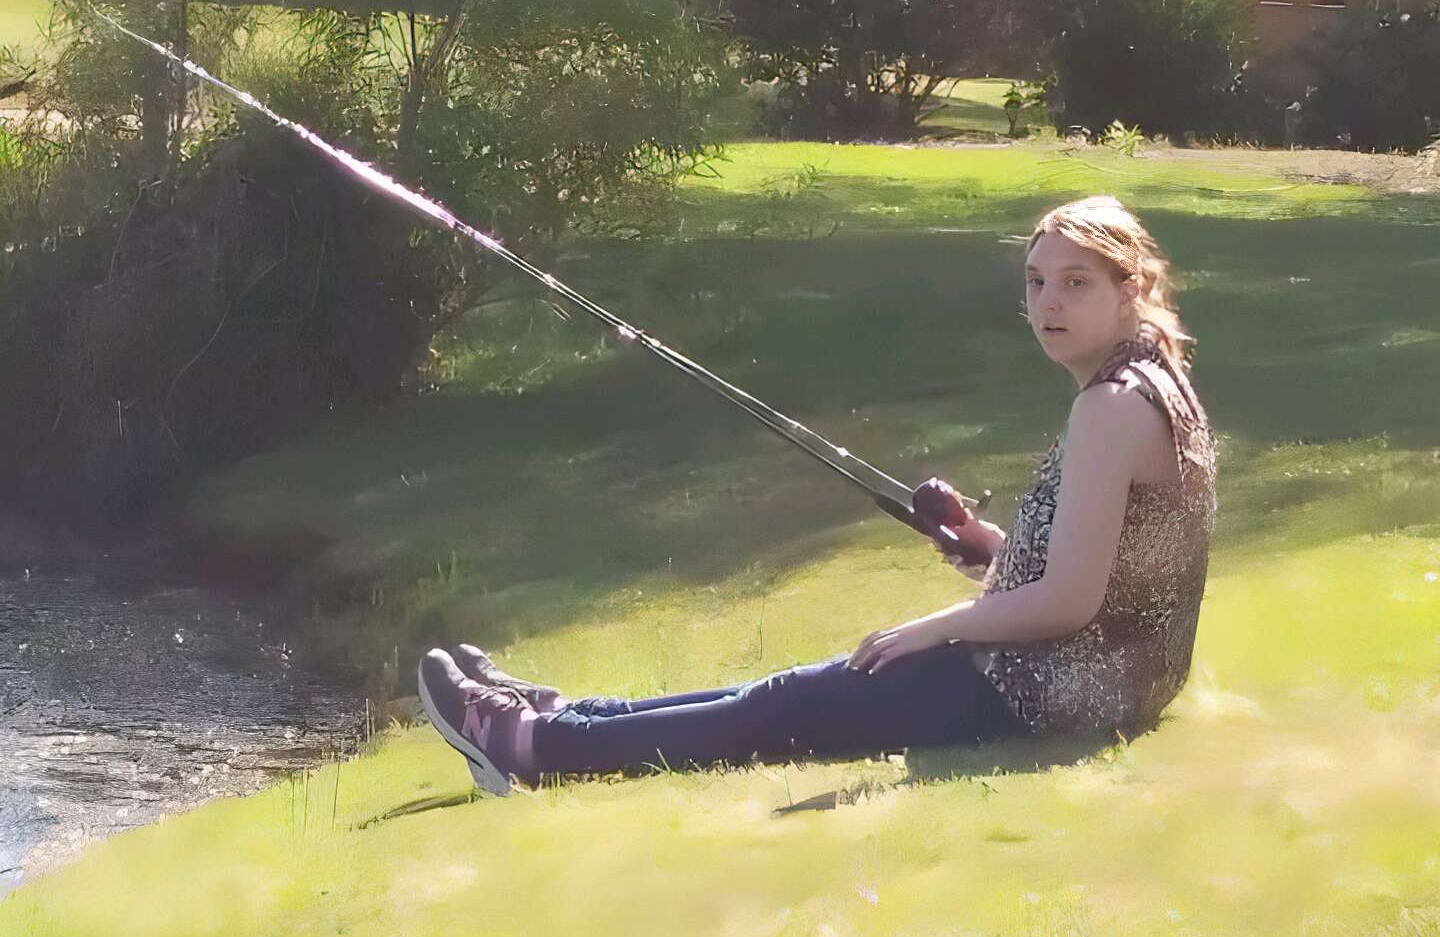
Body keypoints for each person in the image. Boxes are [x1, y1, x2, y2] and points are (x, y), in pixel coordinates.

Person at [417, 195, 1218, 796]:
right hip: (1101, 680)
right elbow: (1105, 572)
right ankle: (564, 718)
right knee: (776, 697)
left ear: (1131, 289)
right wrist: (983, 546)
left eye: (1076, 283)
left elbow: (1072, 602)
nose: (1048, 304)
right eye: (1037, 282)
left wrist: (933, 629)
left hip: (1050, 695)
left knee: (777, 706)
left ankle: (529, 748)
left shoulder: (1110, 407)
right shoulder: (1152, 385)